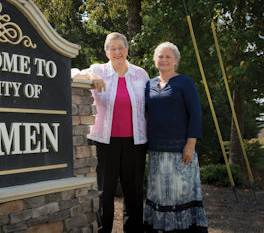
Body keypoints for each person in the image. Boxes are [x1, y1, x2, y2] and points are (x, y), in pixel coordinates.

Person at [72, 32, 149, 233]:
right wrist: (90, 75)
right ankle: (103, 230)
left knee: (133, 192)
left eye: (120, 47)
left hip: (136, 142)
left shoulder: (140, 74)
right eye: (112, 48)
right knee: (104, 192)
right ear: (106, 52)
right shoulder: (99, 69)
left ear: (127, 49)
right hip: (105, 142)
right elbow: (70, 73)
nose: (117, 52)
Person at [144, 42, 208, 232]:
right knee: (159, 195)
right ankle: (160, 227)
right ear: (155, 60)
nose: (163, 60)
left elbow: (195, 113)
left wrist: (191, 144)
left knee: (180, 194)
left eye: (168, 56)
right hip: (156, 150)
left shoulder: (185, 82)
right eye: (160, 56)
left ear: (175, 60)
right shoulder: (149, 84)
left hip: (180, 151)